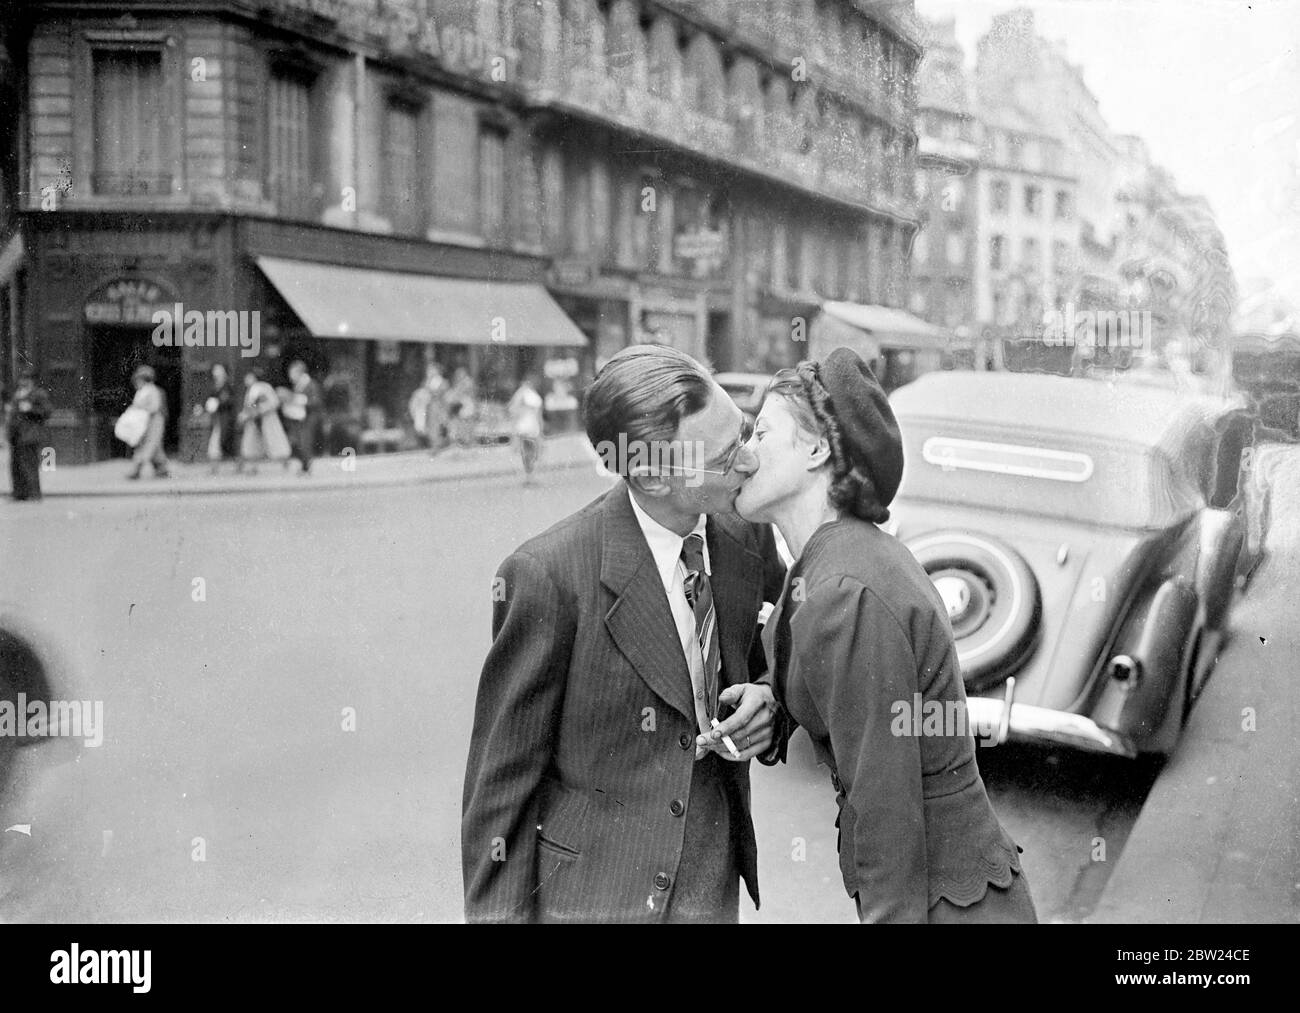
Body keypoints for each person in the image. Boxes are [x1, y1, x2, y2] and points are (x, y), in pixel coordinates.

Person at [462, 344, 787, 923]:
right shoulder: (550, 576)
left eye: (743, 434)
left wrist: (770, 701)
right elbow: (500, 794)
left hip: (709, 890)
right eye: (722, 457)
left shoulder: (747, 539)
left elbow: (780, 654)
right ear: (650, 475)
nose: (749, 463)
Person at [732, 347, 1037, 924]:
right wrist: (773, 696)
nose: (744, 454)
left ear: (817, 449)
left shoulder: (844, 589)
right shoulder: (837, 556)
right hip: (959, 891)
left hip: (946, 905)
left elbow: (885, 809)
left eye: (761, 433)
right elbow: (802, 649)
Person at [5, 367, 52, 501]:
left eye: (27, 379)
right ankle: (19, 494)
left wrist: (31, 409)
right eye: (22, 379)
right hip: (16, 435)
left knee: (29, 465)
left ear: (33, 381)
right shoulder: (18, 394)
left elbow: (47, 412)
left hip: (30, 434)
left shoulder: (38, 394)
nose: (24, 382)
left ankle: (34, 494)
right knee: (16, 465)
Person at [238, 367, 291, 474]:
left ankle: (284, 461)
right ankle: (253, 466)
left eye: (249, 377)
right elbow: (248, 405)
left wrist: (260, 409)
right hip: (253, 420)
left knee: (274, 439)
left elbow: (274, 402)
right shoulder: (250, 390)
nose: (246, 380)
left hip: (267, 418)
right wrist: (246, 414)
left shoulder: (264, 387)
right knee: (251, 442)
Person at [127, 365, 169, 480]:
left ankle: (136, 468)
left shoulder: (151, 390)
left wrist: (140, 409)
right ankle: (162, 468)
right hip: (145, 420)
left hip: (153, 420)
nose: (136, 382)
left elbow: (155, 407)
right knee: (154, 445)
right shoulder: (142, 391)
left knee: (148, 444)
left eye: (139, 379)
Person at [284, 360, 323, 476]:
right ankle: (304, 467)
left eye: (292, 374)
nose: (291, 377)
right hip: (301, 417)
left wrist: (300, 400)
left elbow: (316, 401)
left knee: (306, 442)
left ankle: (307, 468)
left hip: (310, 417)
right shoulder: (300, 384)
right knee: (300, 442)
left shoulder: (310, 384)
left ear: (299, 372)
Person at [507, 371, 545, 484]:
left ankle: (530, 476)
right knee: (531, 452)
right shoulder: (524, 394)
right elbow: (513, 409)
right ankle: (530, 477)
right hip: (528, 428)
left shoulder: (527, 393)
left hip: (529, 428)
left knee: (531, 453)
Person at [202, 363, 238, 475]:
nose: (216, 372)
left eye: (219, 370)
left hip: (225, 418)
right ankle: (214, 467)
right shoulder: (213, 385)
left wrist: (218, 403)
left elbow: (230, 401)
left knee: (222, 442)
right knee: (215, 443)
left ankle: (234, 466)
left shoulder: (227, 385)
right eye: (215, 370)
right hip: (216, 419)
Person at [446, 367, 477, 448]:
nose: (459, 376)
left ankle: (466, 440)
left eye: (461, 374)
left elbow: (465, 394)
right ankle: (460, 440)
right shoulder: (458, 385)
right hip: (460, 408)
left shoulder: (467, 382)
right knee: (456, 422)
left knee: (464, 421)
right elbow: (453, 396)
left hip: (466, 407)